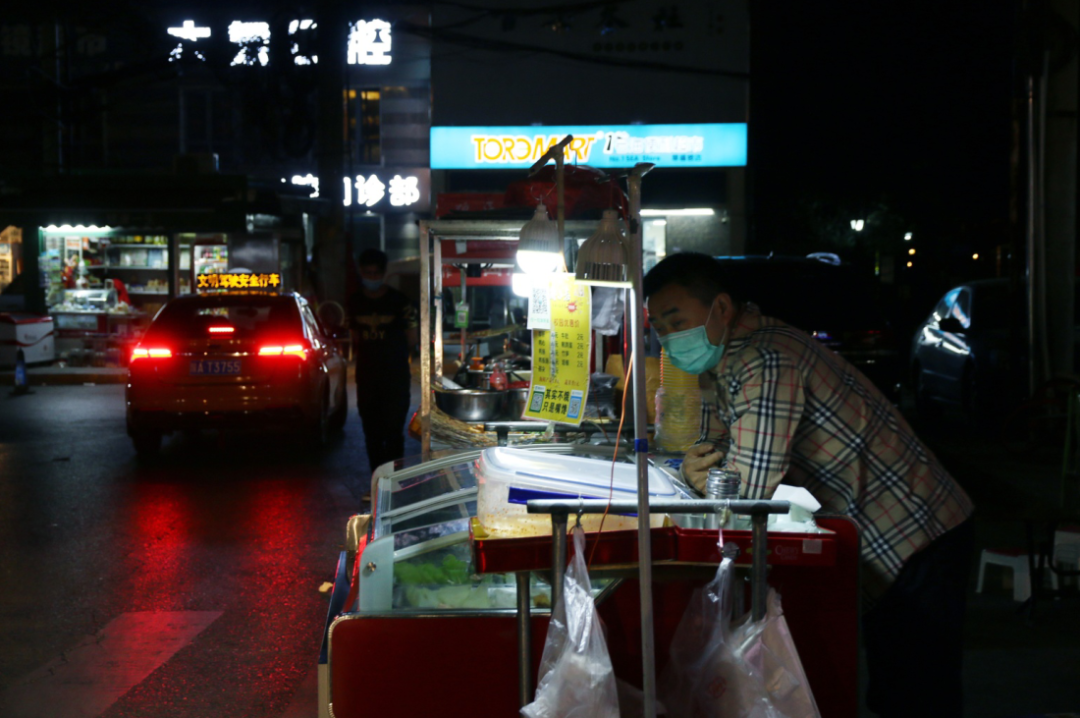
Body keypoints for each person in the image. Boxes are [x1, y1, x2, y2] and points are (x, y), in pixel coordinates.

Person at [643, 252, 974, 718]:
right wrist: (699, 472)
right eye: (659, 326)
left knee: (917, 694)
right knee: (892, 688)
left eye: (676, 321)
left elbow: (747, 490)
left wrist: (706, 475)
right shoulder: (725, 362)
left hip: (916, 533)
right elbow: (714, 450)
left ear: (719, 308)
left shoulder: (768, 359)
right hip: (886, 535)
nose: (669, 337)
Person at [347, 249, 419, 476]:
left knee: (393, 431)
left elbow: (413, 336)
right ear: (361, 272)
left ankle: (394, 480)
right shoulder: (354, 302)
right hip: (367, 377)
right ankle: (377, 480)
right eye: (368, 272)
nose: (372, 277)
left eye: (376, 273)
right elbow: (354, 336)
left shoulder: (399, 302)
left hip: (395, 377)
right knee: (372, 432)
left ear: (384, 273)